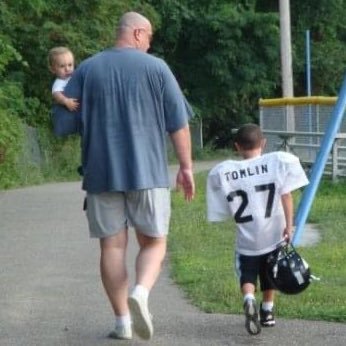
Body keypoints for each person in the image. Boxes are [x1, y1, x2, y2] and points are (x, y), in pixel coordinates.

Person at [54, 12, 195, 341]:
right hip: (148, 173)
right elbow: (178, 123)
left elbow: (63, 122)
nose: (149, 43)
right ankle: (141, 293)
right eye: (148, 37)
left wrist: (59, 95)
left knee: (112, 248)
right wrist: (186, 167)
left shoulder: (87, 69)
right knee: (154, 242)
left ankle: (122, 323)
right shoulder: (157, 68)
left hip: (100, 175)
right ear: (137, 34)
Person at [206, 123, 308, 335]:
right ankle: (268, 312)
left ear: (237, 146)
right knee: (272, 271)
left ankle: (249, 298)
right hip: (274, 233)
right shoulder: (276, 162)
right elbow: (286, 196)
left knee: (248, 273)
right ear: (263, 143)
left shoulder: (226, 171)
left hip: (247, 238)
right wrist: (290, 226)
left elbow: (223, 204)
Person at [48, 46, 79, 112]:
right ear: (53, 69)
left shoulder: (74, 76)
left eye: (70, 65)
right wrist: (66, 101)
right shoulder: (59, 82)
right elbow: (56, 94)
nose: (67, 69)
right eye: (62, 66)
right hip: (66, 111)